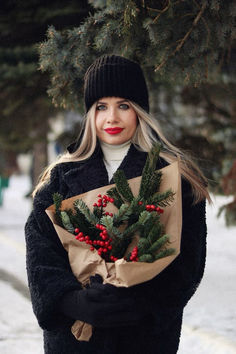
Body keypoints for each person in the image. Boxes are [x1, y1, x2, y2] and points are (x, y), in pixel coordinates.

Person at [25, 54, 210, 354]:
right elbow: (41, 254)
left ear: (140, 111)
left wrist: (142, 303)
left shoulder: (176, 178)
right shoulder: (58, 178)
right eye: (101, 107)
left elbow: (188, 261)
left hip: (144, 339)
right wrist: (72, 301)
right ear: (90, 114)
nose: (112, 117)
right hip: (74, 340)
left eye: (123, 105)